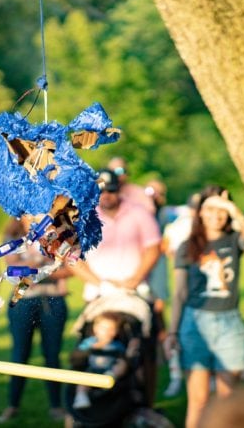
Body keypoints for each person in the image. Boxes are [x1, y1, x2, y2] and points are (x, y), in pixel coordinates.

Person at [69, 169, 161, 406]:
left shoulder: (139, 212)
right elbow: (71, 256)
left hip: (134, 291)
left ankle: (145, 405)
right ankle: (89, 405)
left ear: (119, 189)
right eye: (101, 191)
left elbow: (153, 248)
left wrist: (134, 279)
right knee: (90, 352)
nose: (106, 196)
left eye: (111, 190)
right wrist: (99, 282)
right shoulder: (85, 217)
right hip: (99, 294)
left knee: (145, 353)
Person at [164, 186, 244, 428]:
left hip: (229, 324)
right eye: (210, 208)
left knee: (228, 398)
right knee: (198, 400)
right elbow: (180, 293)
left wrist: (233, 209)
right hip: (195, 324)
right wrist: (172, 332)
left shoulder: (235, 240)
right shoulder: (187, 246)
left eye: (222, 209)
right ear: (200, 212)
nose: (217, 214)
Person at [0, 218, 68, 423]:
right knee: (20, 354)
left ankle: (56, 406)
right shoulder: (12, 237)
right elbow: (13, 269)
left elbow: (70, 268)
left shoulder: (59, 235)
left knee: (52, 355)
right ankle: (13, 405)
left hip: (52, 301)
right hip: (23, 302)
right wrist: (44, 264)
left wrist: (33, 268)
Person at [71, 312, 127, 409]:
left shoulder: (117, 345)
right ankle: (81, 396)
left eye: (111, 329)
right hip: (92, 371)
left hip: (110, 372)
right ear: (95, 329)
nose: (106, 332)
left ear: (115, 331)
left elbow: (123, 356)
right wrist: (93, 347)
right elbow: (79, 353)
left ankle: (111, 376)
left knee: (122, 364)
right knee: (83, 379)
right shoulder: (90, 342)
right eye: (103, 328)